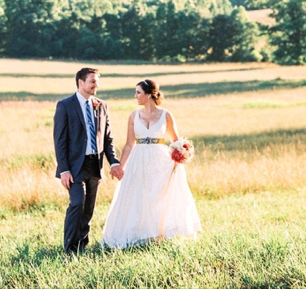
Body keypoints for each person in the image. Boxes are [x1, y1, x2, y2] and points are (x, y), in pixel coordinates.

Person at [101, 79, 201, 249]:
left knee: (158, 196)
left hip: (160, 160)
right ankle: (137, 234)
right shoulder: (133, 115)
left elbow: (176, 140)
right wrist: (120, 166)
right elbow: (129, 144)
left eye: (138, 92)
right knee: (137, 196)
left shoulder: (166, 115)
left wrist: (181, 153)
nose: (135, 96)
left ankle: (157, 234)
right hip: (138, 159)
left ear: (149, 94)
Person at [54, 67, 123, 253]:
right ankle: (69, 248)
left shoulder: (101, 105)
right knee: (77, 203)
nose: (96, 85)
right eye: (92, 81)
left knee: (88, 207)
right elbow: (59, 141)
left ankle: (81, 246)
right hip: (74, 166)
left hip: (95, 164)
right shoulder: (65, 105)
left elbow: (107, 137)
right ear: (80, 83)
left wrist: (114, 162)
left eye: (97, 82)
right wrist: (64, 170)